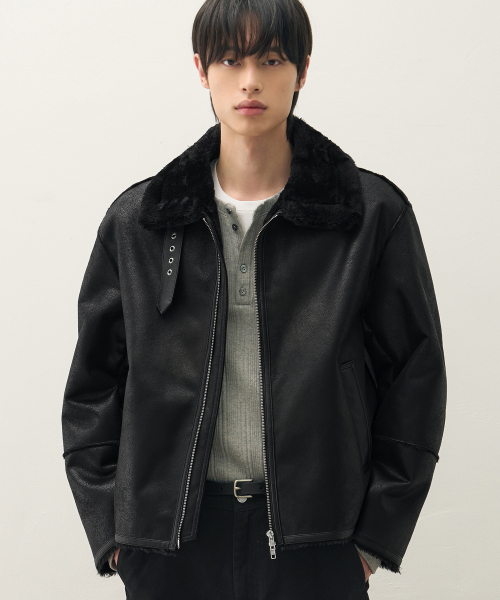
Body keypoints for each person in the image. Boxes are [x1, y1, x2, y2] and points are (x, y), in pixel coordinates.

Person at [61, 0, 447, 598]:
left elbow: (416, 378)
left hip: (318, 541)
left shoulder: (369, 216)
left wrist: (373, 539)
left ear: (302, 69)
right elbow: (92, 388)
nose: (249, 82)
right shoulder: (140, 223)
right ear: (201, 69)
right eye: (230, 60)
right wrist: (117, 533)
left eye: (270, 60)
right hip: (171, 548)